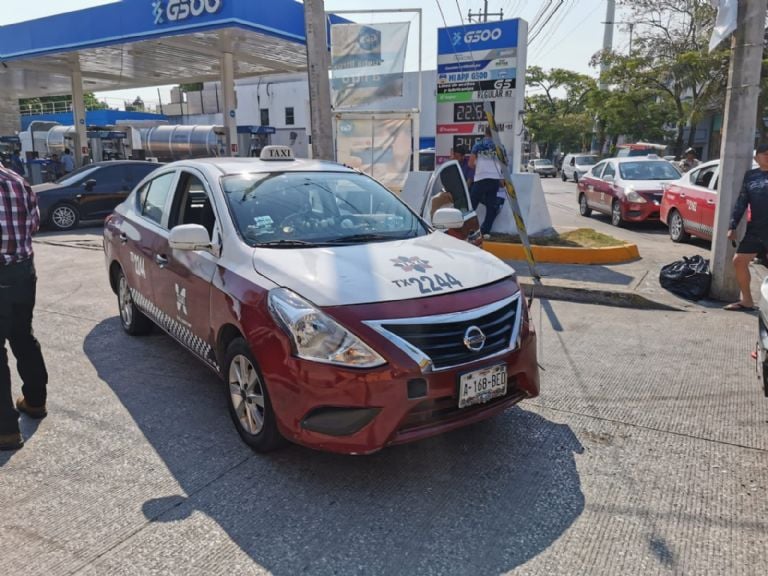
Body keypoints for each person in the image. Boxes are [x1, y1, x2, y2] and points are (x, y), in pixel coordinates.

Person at [0, 165, 49, 451]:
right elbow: (33, 225)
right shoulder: (19, 181)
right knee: (22, 335)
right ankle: (35, 401)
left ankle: (6, 430)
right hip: (22, 273)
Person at [725, 143, 768, 311]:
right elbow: (742, 201)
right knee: (739, 261)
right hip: (756, 228)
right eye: (765, 154)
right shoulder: (750, 176)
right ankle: (747, 300)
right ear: (756, 158)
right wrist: (732, 225)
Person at [468, 127, 506, 239]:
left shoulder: (478, 145)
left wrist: (479, 168)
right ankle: (485, 232)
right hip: (494, 180)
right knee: (491, 206)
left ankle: (465, 229)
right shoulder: (500, 147)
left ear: (485, 133)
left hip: (480, 179)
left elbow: (470, 163)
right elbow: (505, 164)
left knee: (471, 205)